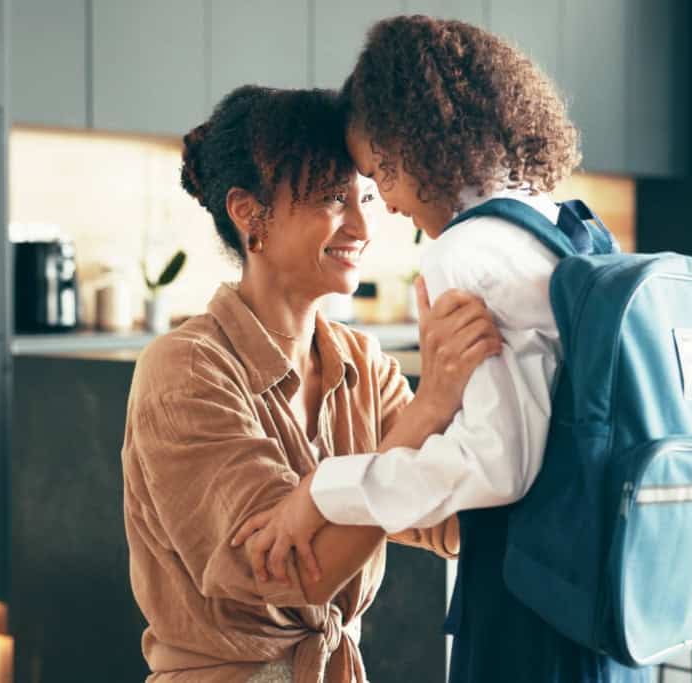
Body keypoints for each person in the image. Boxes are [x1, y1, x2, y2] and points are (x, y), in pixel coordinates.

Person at [235, 16, 653, 683]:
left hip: (535, 611)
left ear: (411, 143)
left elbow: (497, 465)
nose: (389, 208)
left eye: (379, 175)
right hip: (604, 596)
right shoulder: (554, 223)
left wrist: (322, 488)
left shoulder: (464, 251)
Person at [121, 85, 502, 683]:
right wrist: (431, 404)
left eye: (367, 196)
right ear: (249, 212)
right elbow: (294, 574)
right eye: (331, 198)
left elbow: (437, 514)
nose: (361, 224)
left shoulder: (362, 362)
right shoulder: (185, 370)